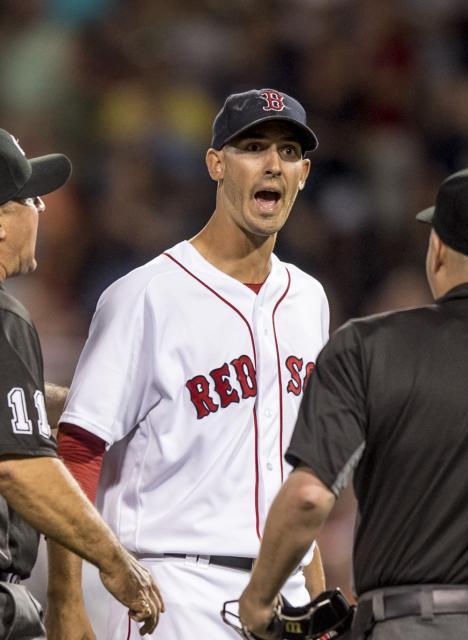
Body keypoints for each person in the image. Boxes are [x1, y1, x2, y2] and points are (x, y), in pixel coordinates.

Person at [236, 166, 468, 639]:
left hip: (414, 625)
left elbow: (309, 496)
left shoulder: (369, 346)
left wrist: (258, 601)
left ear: (439, 248)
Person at [45, 89, 331, 639]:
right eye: (253, 146)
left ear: (304, 174)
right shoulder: (146, 294)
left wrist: (316, 594)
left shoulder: (309, 300)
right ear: (216, 164)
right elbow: (79, 448)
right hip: (170, 592)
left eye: (290, 151)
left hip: (285, 594)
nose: (273, 163)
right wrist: (65, 600)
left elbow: (299, 470)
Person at [0, 129, 163, 637]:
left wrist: (73, 404)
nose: (42, 209)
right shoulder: (5, 318)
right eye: (29, 197)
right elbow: (19, 469)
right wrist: (115, 561)